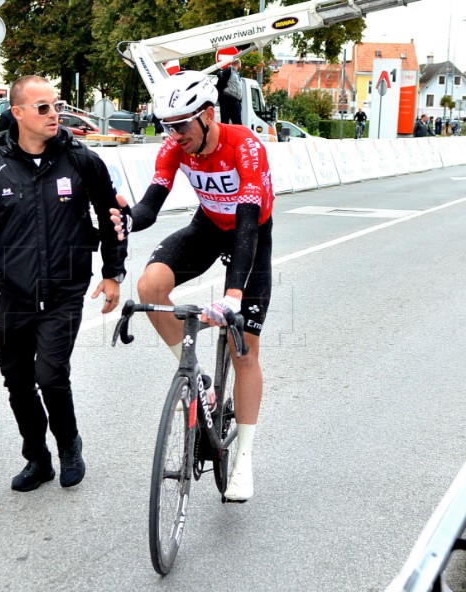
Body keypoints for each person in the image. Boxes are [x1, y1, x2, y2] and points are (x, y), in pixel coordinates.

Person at [0, 75, 128, 492]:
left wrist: (113, 273)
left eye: (56, 106)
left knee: (51, 375)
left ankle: (68, 446)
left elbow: (113, 218)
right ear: (19, 113)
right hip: (15, 293)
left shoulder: (82, 161)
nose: (53, 114)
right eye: (42, 107)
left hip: (65, 290)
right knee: (17, 379)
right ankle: (37, 458)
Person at [110, 71, 273, 502]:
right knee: (150, 285)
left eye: (181, 125)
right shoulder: (176, 147)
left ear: (207, 115)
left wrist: (233, 295)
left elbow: (247, 225)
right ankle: (199, 378)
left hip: (250, 231)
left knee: (245, 350)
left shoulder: (246, 147)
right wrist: (128, 218)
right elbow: (151, 204)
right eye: (167, 126)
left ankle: (244, 460)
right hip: (206, 227)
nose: (174, 134)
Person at [216, 58, 243, 125]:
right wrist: (221, 99)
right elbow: (220, 82)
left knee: (236, 122)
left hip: (235, 101)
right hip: (228, 100)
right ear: (238, 64)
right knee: (229, 122)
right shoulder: (229, 70)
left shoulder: (236, 73)